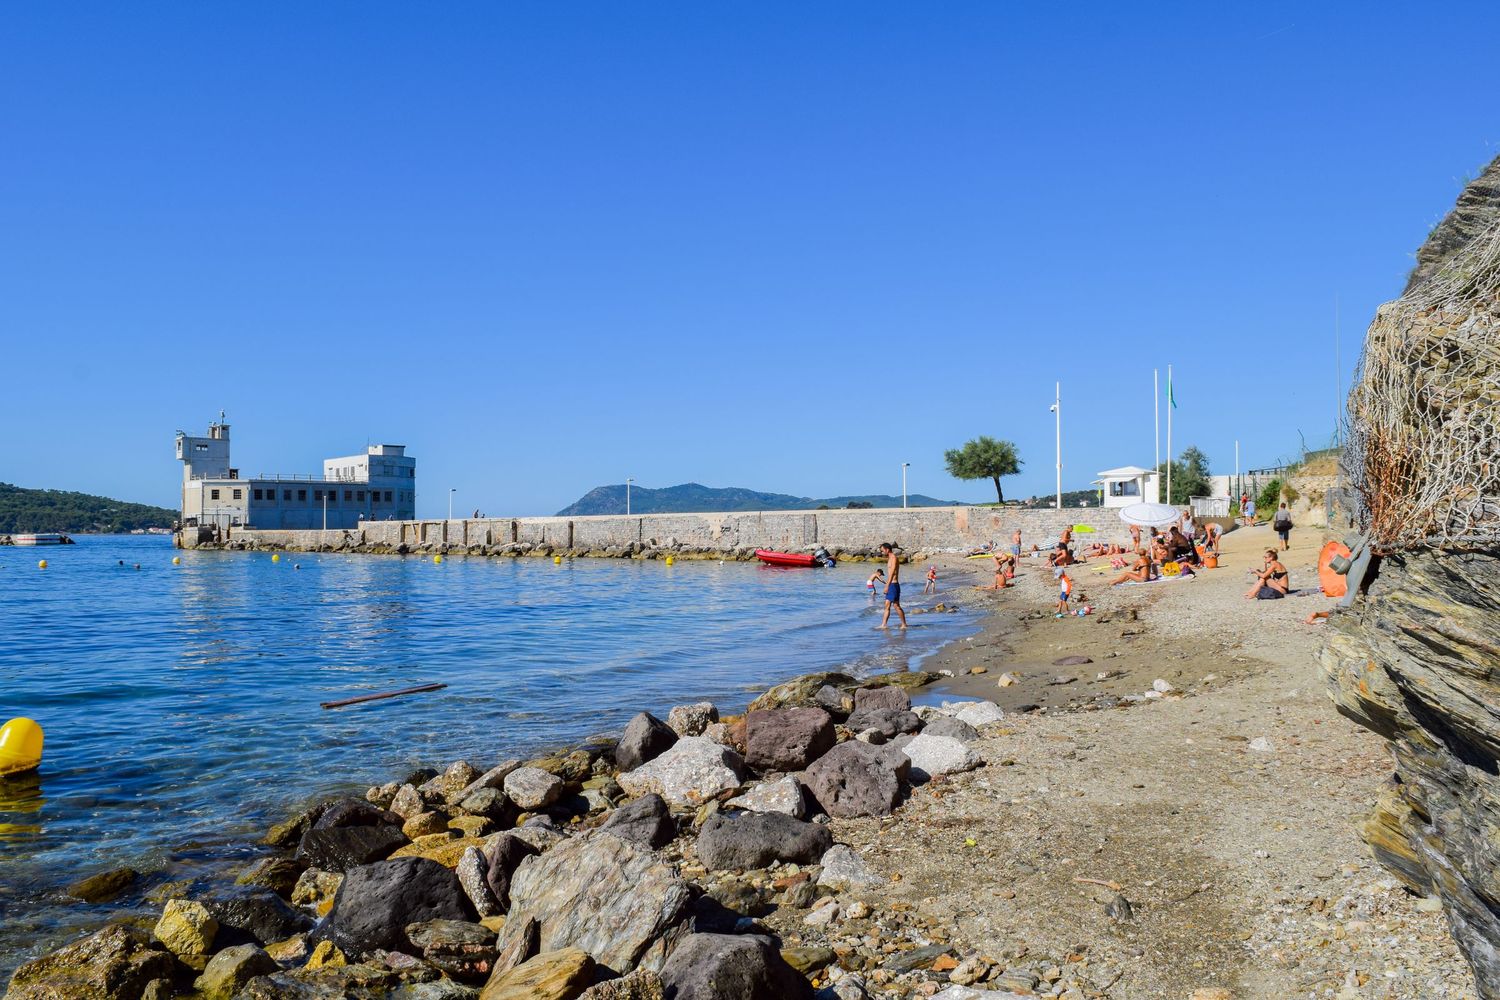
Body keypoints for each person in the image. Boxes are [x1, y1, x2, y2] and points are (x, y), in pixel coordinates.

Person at [878, 542, 907, 629]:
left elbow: (892, 573)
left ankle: (904, 624)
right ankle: (884, 624)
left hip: (893, 585)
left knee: (896, 606)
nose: (882, 553)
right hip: (891, 584)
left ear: (887, 549)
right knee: (887, 605)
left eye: (883, 551)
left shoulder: (893, 558)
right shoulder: (889, 558)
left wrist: (887, 585)